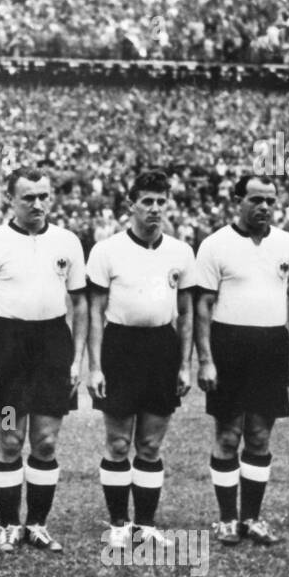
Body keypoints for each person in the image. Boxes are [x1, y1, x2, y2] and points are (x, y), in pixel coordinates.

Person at [0, 166, 87, 554]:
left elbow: (81, 304)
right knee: (10, 436)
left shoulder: (67, 242)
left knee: (46, 441)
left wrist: (76, 359)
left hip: (53, 347)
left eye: (43, 196)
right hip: (9, 350)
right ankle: (7, 525)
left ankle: (37, 524)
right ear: (10, 200)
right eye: (28, 197)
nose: (37, 204)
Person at [194, 175, 289, 547]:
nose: (264, 207)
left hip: (272, 344)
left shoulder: (288, 244)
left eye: (270, 201)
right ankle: (227, 519)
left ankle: (253, 518)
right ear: (238, 201)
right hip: (229, 344)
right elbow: (203, 306)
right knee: (228, 434)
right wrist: (206, 360)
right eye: (256, 200)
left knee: (260, 434)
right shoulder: (215, 245)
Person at [86, 170, 194, 552]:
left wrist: (185, 363)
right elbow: (95, 310)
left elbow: (186, 310)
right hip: (120, 346)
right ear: (131, 205)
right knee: (118, 442)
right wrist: (95, 366)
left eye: (161, 202)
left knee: (150, 443)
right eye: (147, 201)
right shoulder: (106, 250)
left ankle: (145, 526)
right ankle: (118, 523)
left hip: (162, 348)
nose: (154, 209)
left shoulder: (180, 252)